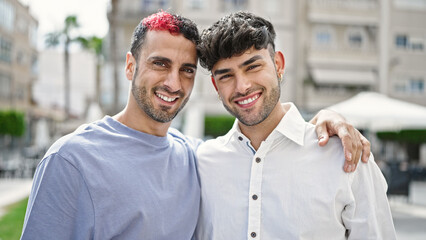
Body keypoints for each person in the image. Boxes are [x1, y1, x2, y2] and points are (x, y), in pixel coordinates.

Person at [21, 11, 369, 240]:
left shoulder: (195, 157)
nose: (174, 82)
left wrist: (330, 118)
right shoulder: (70, 160)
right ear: (130, 66)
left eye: (187, 70)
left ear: (278, 64)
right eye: (160, 64)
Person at [194, 12, 396, 239]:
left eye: (252, 67)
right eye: (226, 76)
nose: (242, 86)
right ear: (215, 84)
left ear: (278, 64)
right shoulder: (200, 163)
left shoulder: (347, 156)